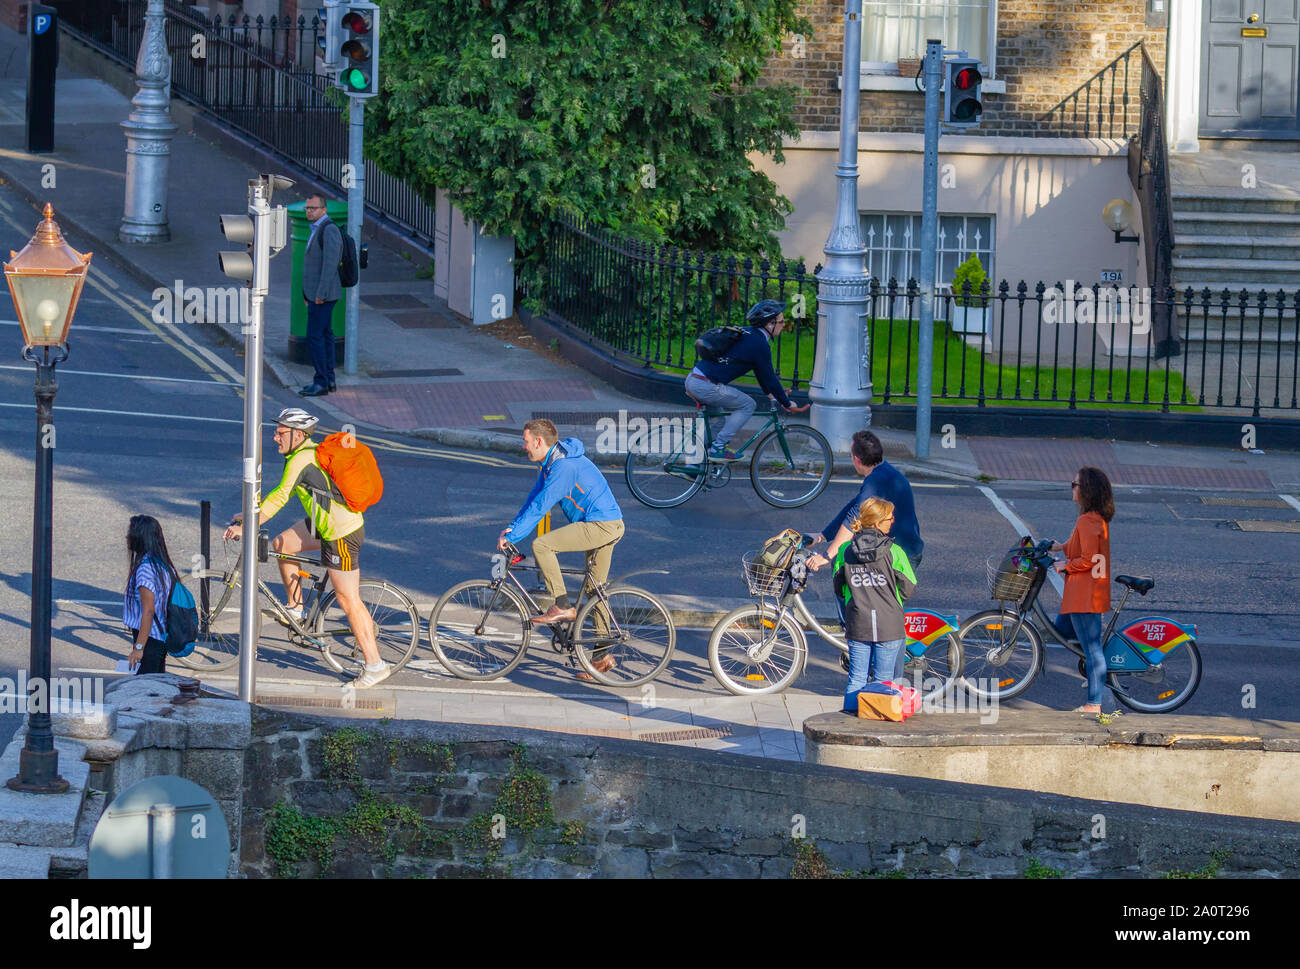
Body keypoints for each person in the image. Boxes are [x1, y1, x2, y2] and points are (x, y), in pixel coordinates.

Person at [224, 408, 388, 687]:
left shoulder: (301, 459)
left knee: (348, 600)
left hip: (341, 532)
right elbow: (278, 494)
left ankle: (375, 665)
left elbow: (281, 496)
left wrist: (247, 526)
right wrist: (249, 514)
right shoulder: (305, 454)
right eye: (276, 432)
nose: (275, 437)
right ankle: (297, 607)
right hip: (324, 522)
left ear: (298, 435)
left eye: (281, 433)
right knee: (283, 543)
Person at [498, 419, 624, 681]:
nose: (524, 446)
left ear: (539, 442)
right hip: (605, 523)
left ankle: (563, 605)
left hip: (601, 525)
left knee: (542, 545)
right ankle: (601, 658)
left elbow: (542, 505)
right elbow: (533, 499)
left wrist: (516, 536)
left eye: (526, 441)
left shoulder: (562, 467)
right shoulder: (551, 464)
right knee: (594, 590)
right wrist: (511, 530)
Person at [813, 497, 917, 713]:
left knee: (857, 678)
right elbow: (908, 588)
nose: (893, 520)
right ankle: (876, 727)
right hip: (890, 624)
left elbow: (838, 588)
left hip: (858, 622)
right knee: (883, 682)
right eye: (889, 517)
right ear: (878, 523)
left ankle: (848, 725)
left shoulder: (844, 552)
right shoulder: (895, 552)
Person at [685, 298, 809, 461]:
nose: (784, 325)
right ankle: (719, 448)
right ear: (770, 324)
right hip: (706, 385)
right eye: (781, 321)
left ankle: (694, 465)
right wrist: (786, 403)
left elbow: (760, 372)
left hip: (694, 379)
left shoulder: (748, 334)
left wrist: (772, 395)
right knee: (747, 404)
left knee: (718, 422)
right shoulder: (759, 344)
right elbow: (770, 378)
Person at [1052, 466, 1114, 716]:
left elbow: (1089, 558)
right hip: (1082, 591)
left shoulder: (1087, 521)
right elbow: (1079, 545)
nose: (1072, 488)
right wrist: (1060, 547)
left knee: (1092, 648)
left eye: (1075, 484)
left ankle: (1094, 703)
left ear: (1086, 490)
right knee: (1060, 632)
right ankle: (1092, 672)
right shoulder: (1093, 519)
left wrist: (1064, 564)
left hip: (1085, 594)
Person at [123, 514, 180, 675]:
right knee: (156, 690)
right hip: (160, 637)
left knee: (145, 691)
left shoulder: (145, 570)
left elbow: (148, 611)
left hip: (150, 641)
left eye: (131, 532)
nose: (127, 536)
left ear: (140, 538)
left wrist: (139, 648)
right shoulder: (162, 564)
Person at [299, 194, 343, 398]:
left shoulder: (329, 229)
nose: (309, 211)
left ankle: (321, 381)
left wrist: (320, 294)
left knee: (314, 337)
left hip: (323, 295)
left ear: (324, 210)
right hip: (315, 294)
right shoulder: (316, 228)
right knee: (325, 335)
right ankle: (329, 379)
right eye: (308, 208)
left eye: (313, 208)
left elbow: (330, 265)